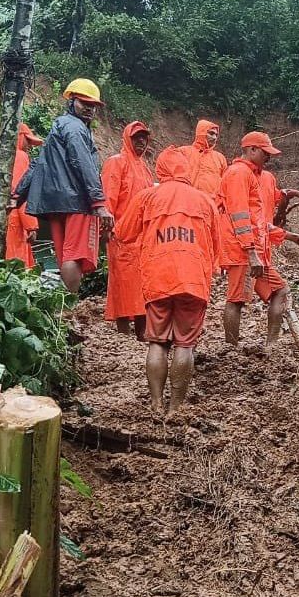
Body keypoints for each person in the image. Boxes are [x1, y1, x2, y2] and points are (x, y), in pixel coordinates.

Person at [114, 148, 215, 414]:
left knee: (158, 342)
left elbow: (123, 234)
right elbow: (216, 244)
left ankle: (156, 403)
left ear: (161, 170)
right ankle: (176, 407)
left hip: (158, 279)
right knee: (185, 344)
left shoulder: (148, 196)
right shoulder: (204, 200)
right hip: (194, 281)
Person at [15, 78, 113, 293]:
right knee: (74, 255)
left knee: (64, 254)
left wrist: (17, 196)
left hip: (56, 203)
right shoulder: (76, 128)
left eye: (93, 106)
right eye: (84, 104)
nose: (89, 109)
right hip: (77, 201)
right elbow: (84, 164)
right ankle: (70, 305)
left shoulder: (58, 126)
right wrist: (98, 202)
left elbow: (39, 164)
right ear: (72, 102)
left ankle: (63, 306)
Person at [218, 132, 299, 350]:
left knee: (280, 290)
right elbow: (239, 216)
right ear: (251, 150)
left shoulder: (254, 175)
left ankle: (271, 346)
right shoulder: (238, 174)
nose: (269, 157)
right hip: (242, 251)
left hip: (254, 251)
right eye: (265, 152)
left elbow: (258, 223)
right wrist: (251, 252)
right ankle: (231, 351)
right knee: (236, 299)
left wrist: (290, 236)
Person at [102, 121, 155, 336]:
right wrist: (107, 228)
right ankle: (123, 333)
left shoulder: (144, 168)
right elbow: (108, 197)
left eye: (144, 138)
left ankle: (141, 332)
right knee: (122, 283)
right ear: (127, 139)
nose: (141, 141)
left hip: (143, 237)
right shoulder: (116, 163)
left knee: (143, 285)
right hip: (121, 235)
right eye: (136, 138)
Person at [0, 123, 44, 266]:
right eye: (28, 140)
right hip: (9, 221)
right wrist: (31, 225)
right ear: (18, 138)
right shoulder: (19, 156)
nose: (30, 146)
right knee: (14, 270)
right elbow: (21, 192)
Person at [176, 120, 228, 272]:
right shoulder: (183, 152)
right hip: (185, 207)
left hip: (210, 209)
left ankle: (207, 271)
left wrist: (222, 205)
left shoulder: (220, 158)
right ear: (201, 132)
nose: (214, 137)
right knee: (186, 241)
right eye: (211, 133)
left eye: (216, 135)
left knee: (207, 242)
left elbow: (224, 186)